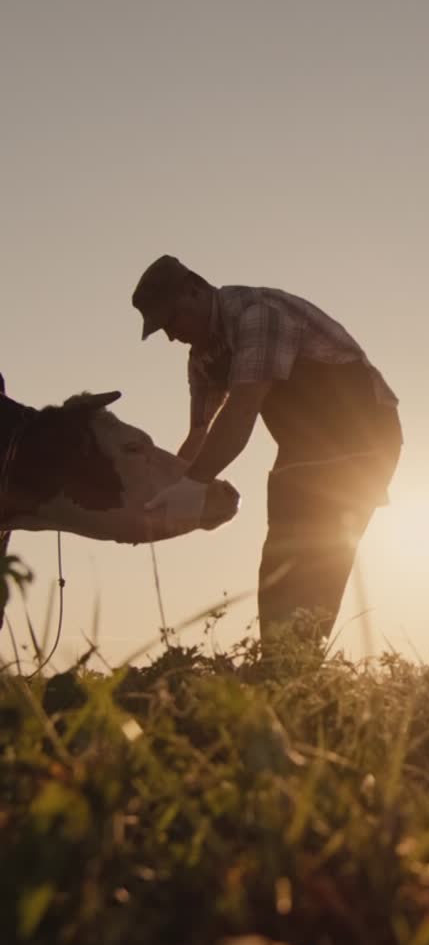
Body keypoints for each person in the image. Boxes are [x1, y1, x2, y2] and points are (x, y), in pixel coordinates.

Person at [132, 255, 402, 663]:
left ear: (194, 289)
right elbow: (199, 435)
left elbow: (242, 408)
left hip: (359, 435)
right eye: (162, 329)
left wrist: (194, 485)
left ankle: (291, 670)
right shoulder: (203, 356)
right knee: (279, 559)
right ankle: (281, 666)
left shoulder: (259, 316)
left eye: (172, 320)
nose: (171, 336)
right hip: (302, 448)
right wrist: (161, 495)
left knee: (318, 550)